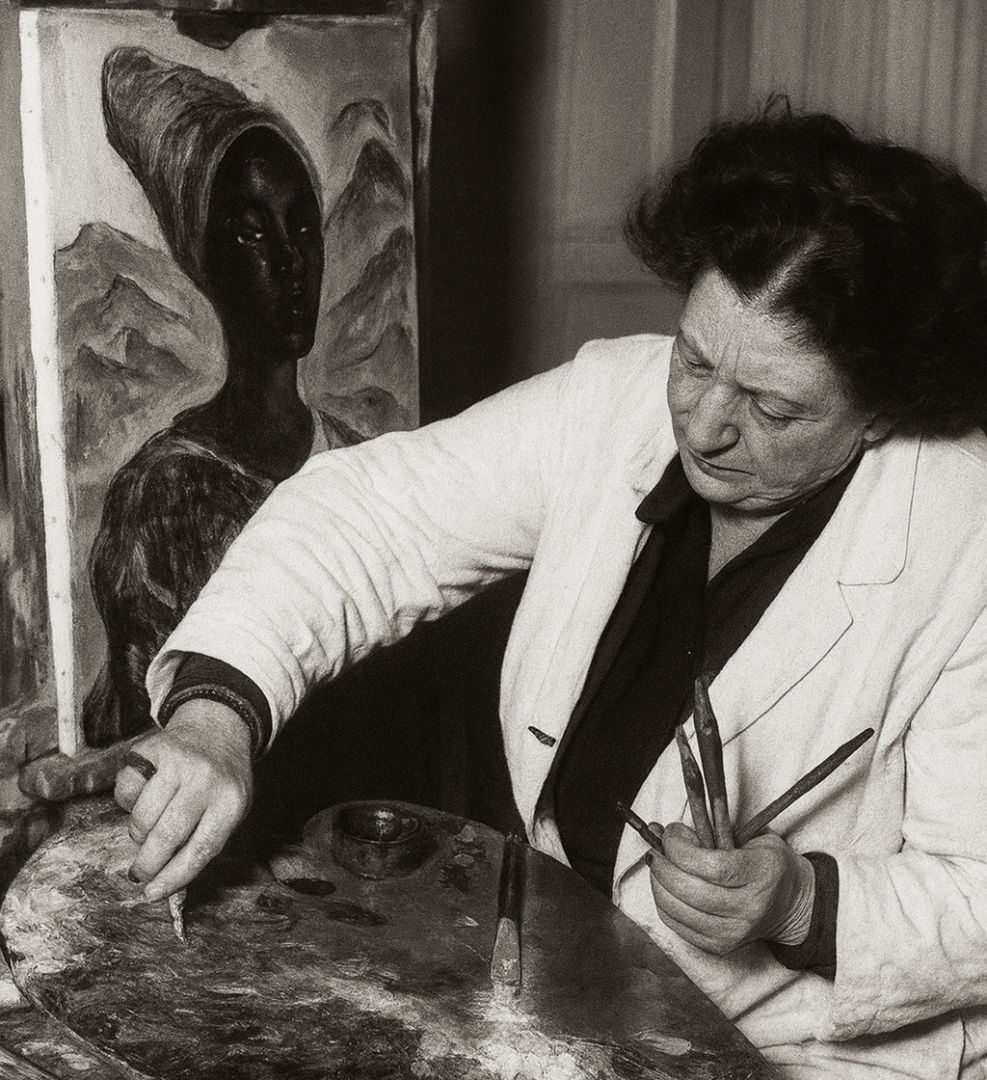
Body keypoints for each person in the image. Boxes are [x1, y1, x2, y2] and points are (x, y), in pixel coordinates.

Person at [116, 103, 987, 1078]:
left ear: (880, 411)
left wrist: (803, 905)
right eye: (693, 359)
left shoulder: (965, 535)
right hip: (585, 1005)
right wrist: (214, 719)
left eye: (771, 406)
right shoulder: (611, 405)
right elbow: (367, 517)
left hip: (819, 1056)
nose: (702, 425)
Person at [83, 47, 356, 746]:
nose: (291, 263)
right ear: (204, 257)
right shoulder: (163, 496)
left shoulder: (363, 462)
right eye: (252, 230)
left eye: (301, 226)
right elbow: (146, 735)